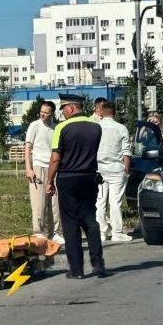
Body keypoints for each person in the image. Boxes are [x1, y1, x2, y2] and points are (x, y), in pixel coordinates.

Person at [45, 93, 107, 279]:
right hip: (89, 177)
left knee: (70, 223)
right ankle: (98, 264)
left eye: (63, 109)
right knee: (90, 219)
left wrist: (49, 181)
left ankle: (76, 269)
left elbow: (56, 158)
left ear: (71, 108)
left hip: (68, 178)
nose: (62, 113)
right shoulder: (96, 126)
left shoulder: (62, 128)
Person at [25, 100, 64, 244]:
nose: (43, 114)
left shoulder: (56, 128)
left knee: (55, 202)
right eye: (41, 111)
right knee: (39, 202)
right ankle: (38, 232)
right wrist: (28, 168)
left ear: (52, 114)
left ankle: (55, 232)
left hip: (53, 167)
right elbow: (28, 148)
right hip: (38, 166)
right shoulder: (34, 126)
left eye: (46, 112)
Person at [95, 102, 133, 242]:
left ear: (101, 112)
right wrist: (127, 171)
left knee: (100, 201)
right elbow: (126, 152)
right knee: (115, 202)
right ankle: (117, 232)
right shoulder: (121, 128)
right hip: (116, 169)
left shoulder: (96, 127)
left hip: (99, 169)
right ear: (114, 113)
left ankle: (101, 232)